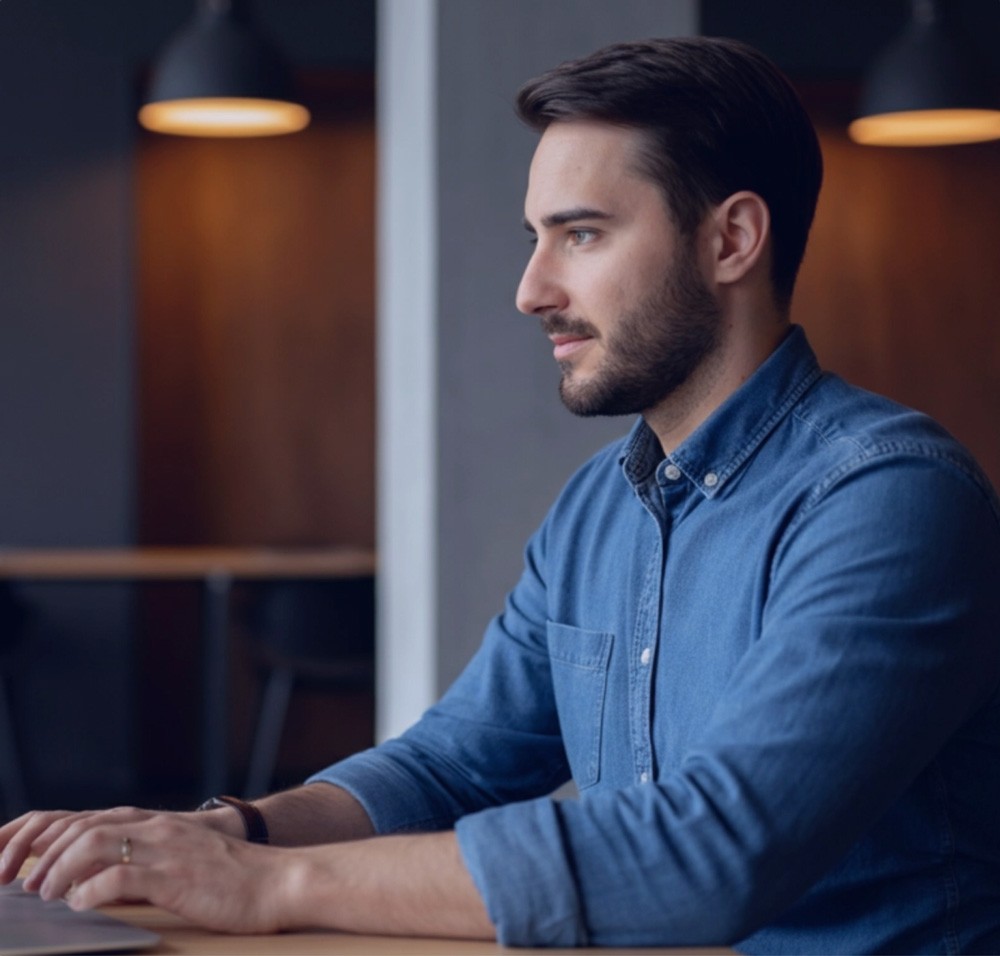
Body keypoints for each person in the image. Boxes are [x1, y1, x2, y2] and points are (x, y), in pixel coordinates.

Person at [2, 35, 1000, 953]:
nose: (530, 289)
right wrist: (229, 831)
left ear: (732, 239)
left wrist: (271, 882)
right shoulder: (595, 508)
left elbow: (712, 855)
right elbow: (449, 765)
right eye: (535, 237)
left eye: (581, 235)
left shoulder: (889, 499)